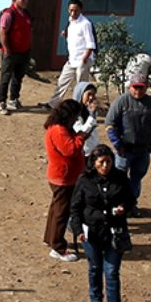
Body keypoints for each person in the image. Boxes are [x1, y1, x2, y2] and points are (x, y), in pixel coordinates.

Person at [71, 149, 134, 302]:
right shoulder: (84, 180)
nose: (105, 166)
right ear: (94, 162)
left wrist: (124, 207)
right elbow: (75, 207)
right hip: (91, 233)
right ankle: (96, 301)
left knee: (112, 271)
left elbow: (131, 199)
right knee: (95, 267)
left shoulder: (121, 178)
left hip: (115, 232)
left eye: (108, 162)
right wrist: (78, 230)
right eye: (101, 162)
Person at [104, 77, 151, 204]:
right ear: (130, 87)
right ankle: (117, 203)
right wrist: (117, 144)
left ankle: (131, 204)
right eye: (135, 87)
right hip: (124, 149)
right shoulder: (121, 101)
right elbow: (110, 125)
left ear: (146, 87)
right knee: (119, 177)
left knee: (136, 178)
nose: (138, 90)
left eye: (141, 87)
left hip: (143, 150)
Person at [42, 100, 87, 262]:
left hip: (60, 176)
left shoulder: (56, 127)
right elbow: (71, 150)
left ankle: (51, 238)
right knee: (62, 213)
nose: (75, 120)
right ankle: (58, 247)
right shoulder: (59, 130)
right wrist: (82, 136)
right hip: (63, 178)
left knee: (56, 210)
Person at [51, 0, 96, 106]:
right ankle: (53, 103)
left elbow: (91, 43)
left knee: (81, 85)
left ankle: (79, 107)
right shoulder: (71, 21)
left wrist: (84, 59)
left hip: (83, 59)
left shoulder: (85, 24)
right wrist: (65, 33)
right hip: (72, 59)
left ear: (80, 10)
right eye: (71, 10)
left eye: (75, 10)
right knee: (62, 81)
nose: (73, 13)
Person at [0, 0, 33, 114]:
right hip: (11, 53)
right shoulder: (9, 14)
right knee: (6, 77)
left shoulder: (26, 14)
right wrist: (6, 49)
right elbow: (3, 32)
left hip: (24, 52)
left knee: (18, 77)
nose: (25, 1)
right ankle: (2, 103)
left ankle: (13, 99)